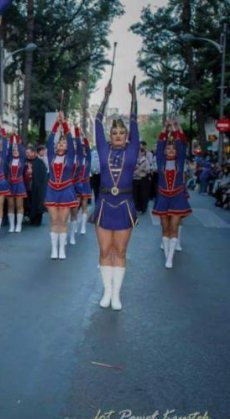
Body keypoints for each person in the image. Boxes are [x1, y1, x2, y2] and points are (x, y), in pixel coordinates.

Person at [93, 77, 140, 311]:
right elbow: (97, 121)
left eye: (122, 132)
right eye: (115, 132)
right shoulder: (103, 149)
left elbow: (135, 123)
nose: (119, 135)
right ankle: (106, 291)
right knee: (104, 250)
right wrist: (105, 97)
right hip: (104, 204)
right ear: (110, 136)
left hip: (124, 204)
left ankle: (116, 294)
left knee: (120, 251)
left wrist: (134, 98)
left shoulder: (132, 150)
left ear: (127, 135)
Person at [152, 119, 192, 269]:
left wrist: (175, 127)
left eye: (173, 149)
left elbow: (181, 144)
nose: (170, 150)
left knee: (174, 227)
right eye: (168, 148)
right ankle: (166, 254)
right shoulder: (160, 161)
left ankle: (170, 258)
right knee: (165, 227)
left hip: (177, 197)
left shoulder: (180, 161)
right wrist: (165, 127)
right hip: (163, 197)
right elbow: (160, 144)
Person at [45, 112, 79, 259]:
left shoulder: (70, 156)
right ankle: (54, 249)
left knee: (63, 221)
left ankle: (62, 250)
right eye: (60, 142)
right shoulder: (51, 156)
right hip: (52, 190)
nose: (61, 144)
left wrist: (64, 123)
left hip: (66, 190)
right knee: (54, 220)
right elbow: (49, 140)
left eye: (64, 143)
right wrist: (56, 123)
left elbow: (70, 140)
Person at [6, 132, 26, 233]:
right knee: (10, 205)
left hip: (19, 184)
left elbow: (21, 148)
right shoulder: (9, 159)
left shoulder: (22, 159)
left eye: (17, 150)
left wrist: (17, 137)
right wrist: (11, 138)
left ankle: (18, 224)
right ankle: (12, 225)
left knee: (19, 205)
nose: (15, 151)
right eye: (14, 150)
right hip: (10, 184)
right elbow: (9, 149)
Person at [75, 131, 93, 235]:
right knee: (76, 205)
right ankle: (75, 224)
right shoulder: (77, 159)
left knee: (84, 204)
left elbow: (88, 148)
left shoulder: (88, 158)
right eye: (81, 149)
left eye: (84, 149)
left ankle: (83, 227)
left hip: (85, 184)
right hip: (77, 184)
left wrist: (84, 137)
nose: (83, 150)